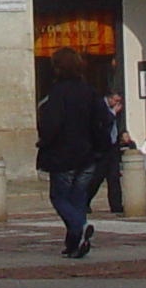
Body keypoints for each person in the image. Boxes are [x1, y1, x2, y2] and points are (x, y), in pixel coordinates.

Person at [36, 48, 118, 258]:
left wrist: (44, 142)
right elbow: (105, 119)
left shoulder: (58, 93)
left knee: (59, 197)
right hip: (87, 155)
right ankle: (74, 243)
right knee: (78, 198)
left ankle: (77, 228)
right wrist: (101, 144)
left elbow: (51, 124)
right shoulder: (89, 91)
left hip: (64, 155)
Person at [87, 91, 132, 215]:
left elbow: (117, 124)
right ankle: (84, 201)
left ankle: (116, 205)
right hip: (102, 147)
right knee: (97, 177)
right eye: (115, 101)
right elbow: (101, 124)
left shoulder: (116, 110)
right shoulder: (99, 106)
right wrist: (112, 113)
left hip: (113, 146)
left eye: (119, 101)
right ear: (109, 98)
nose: (117, 104)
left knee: (114, 177)